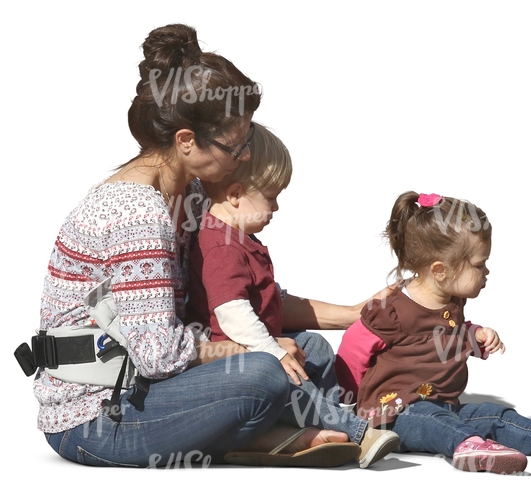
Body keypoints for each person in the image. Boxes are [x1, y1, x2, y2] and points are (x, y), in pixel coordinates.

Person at [22, 23, 367, 468]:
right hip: (100, 414)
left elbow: (240, 295)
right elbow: (158, 355)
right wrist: (261, 348)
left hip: (149, 387)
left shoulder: (194, 196)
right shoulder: (137, 215)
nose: (245, 155)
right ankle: (277, 434)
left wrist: (354, 314)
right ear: (186, 141)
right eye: (236, 144)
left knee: (308, 348)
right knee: (264, 372)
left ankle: (276, 431)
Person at [335, 191, 531, 474]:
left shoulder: (451, 300)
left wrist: (475, 336)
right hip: (394, 415)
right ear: (441, 270)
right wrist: (348, 402)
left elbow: (443, 336)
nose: (487, 272)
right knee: (432, 421)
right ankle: (469, 446)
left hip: (447, 406)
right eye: (478, 264)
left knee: (495, 414)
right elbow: (353, 348)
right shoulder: (392, 310)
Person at [185, 122, 400, 468]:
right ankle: (360, 432)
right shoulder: (221, 246)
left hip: (257, 345)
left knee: (313, 346)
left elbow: (269, 301)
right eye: (271, 198)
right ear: (236, 193)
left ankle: (333, 411)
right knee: (290, 377)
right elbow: (232, 312)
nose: (277, 208)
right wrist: (272, 351)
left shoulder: (239, 236)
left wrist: (354, 312)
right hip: (232, 360)